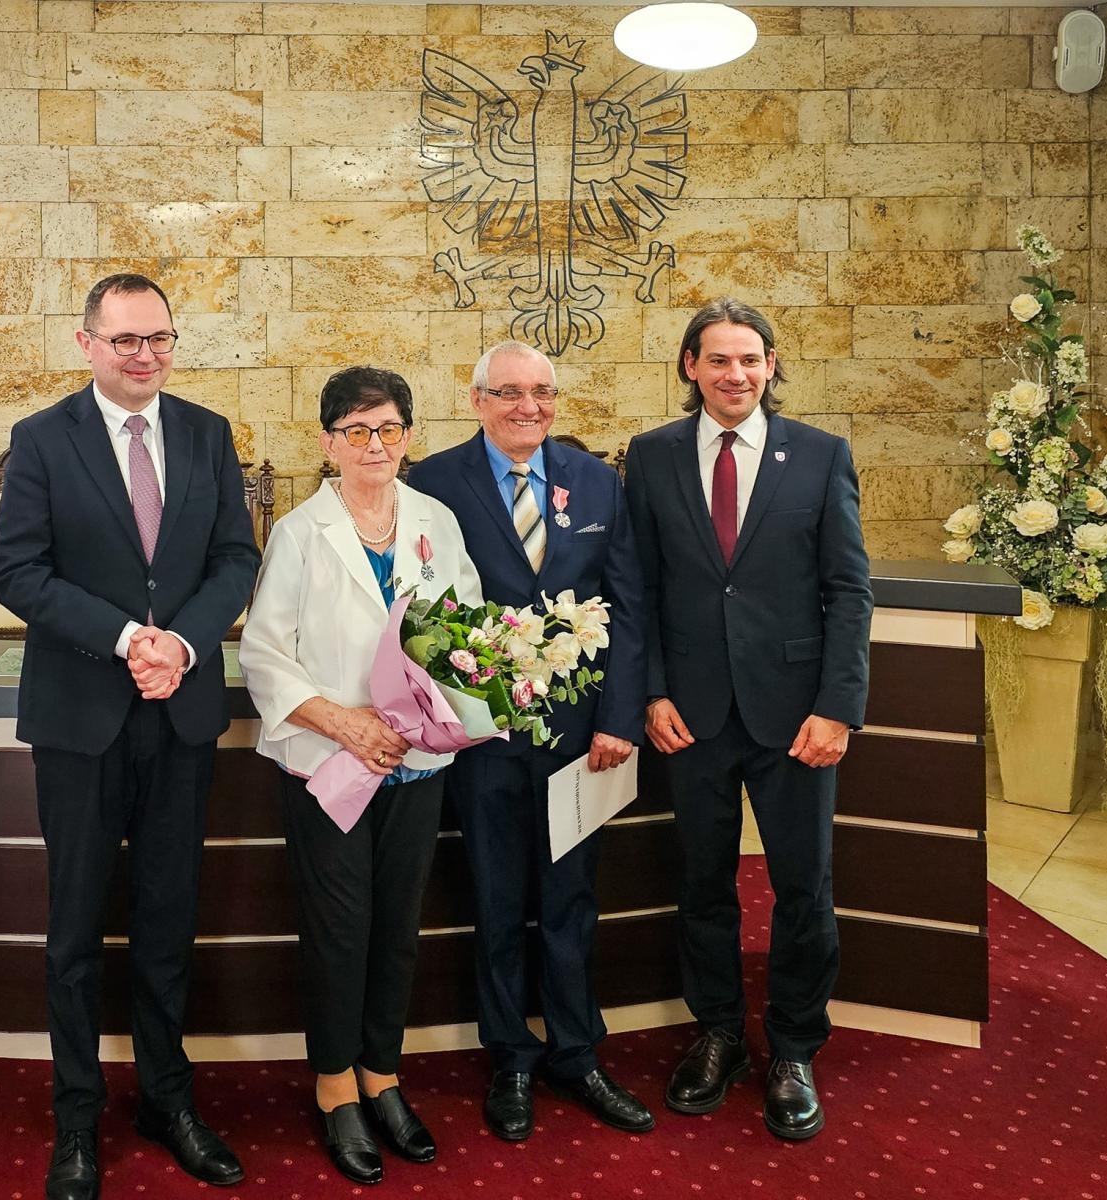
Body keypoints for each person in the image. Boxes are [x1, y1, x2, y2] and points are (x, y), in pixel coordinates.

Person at [0, 273, 261, 1199]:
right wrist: (126, 639)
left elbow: (236, 559)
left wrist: (180, 643)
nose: (144, 355)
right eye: (125, 340)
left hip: (180, 712)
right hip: (81, 718)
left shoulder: (207, 433)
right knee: (73, 927)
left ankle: (165, 1098)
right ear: (86, 343)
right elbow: (16, 573)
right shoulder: (40, 440)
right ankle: (76, 1120)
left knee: (166, 917)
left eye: (160, 338)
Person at [622, 297, 872, 1141]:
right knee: (701, 884)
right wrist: (650, 690)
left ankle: (796, 1046)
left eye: (751, 360)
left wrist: (839, 705)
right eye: (719, 360)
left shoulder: (822, 456)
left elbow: (848, 589)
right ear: (690, 366)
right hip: (689, 716)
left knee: (804, 888)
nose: (736, 375)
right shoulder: (650, 458)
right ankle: (720, 1033)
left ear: (770, 367)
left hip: (797, 715)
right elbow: (640, 589)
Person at [238, 367, 483, 1185]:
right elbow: (265, 654)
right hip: (331, 765)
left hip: (415, 764)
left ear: (409, 437)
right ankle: (335, 1084)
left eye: (387, 430)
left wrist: (434, 702)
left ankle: (384, 1074)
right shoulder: (302, 533)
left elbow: (465, 630)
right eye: (355, 432)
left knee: (398, 926)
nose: (373, 446)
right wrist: (344, 722)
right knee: (340, 931)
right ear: (327, 443)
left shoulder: (436, 522)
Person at [405, 341, 652, 1142]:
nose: (528, 407)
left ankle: (577, 1054)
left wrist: (618, 717)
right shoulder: (434, 483)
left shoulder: (597, 481)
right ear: (475, 399)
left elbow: (626, 605)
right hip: (483, 740)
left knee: (572, 899)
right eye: (508, 392)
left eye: (542, 392)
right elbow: (416, 612)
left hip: (582, 740)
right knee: (498, 897)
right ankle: (510, 1057)